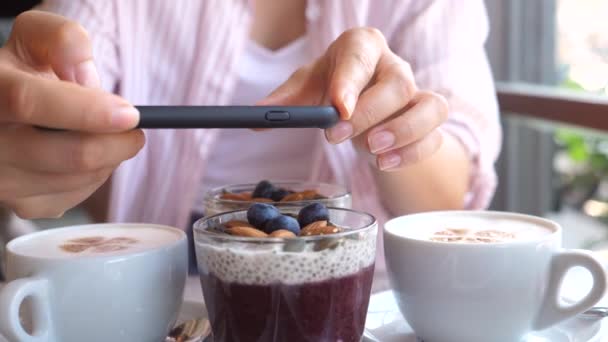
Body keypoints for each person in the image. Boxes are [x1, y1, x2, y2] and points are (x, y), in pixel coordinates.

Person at [0, 0, 501, 286]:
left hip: (356, 274)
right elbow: (54, 76)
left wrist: (381, 125)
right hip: (165, 273)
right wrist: (28, 121)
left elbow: (446, 200)